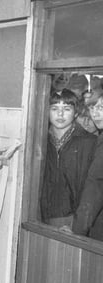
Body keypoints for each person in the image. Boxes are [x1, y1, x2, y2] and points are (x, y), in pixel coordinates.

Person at [40, 89, 96, 228]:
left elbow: (92, 190)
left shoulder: (89, 143)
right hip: (40, 215)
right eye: (54, 108)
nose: (60, 114)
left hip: (73, 218)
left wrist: (79, 223)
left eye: (66, 109)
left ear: (76, 112)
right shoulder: (40, 140)